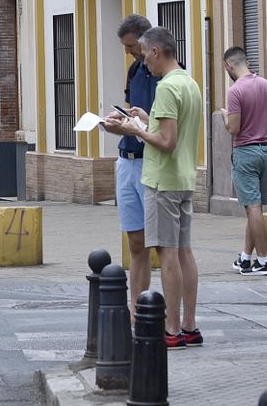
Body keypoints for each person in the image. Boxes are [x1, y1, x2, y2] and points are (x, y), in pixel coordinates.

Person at [104, 26, 202, 349]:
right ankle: (189, 325)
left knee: (168, 254)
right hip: (185, 178)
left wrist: (136, 130)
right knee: (185, 251)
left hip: (163, 180)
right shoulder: (189, 82)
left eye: (145, 55)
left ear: (157, 52)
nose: (144, 62)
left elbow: (166, 141)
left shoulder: (166, 87)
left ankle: (171, 329)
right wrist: (145, 118)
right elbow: (173, 128)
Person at [101, 14, 157, 312]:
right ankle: (135, 310)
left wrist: (137, 125)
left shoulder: (167, 75)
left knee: (163, 244)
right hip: (127, 159)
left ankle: (164, 316)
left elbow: (164, 126)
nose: (128, 52)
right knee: (135, 242)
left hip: (152, 161)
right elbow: (132, 110)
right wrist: (118, 119)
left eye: (132, 45)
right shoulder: (134, 70)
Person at [221, 46, 267, 276]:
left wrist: (226, 116)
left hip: (246, 152)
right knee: (254, 206)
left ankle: (263, 260)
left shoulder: (235, 91)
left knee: (253, 207)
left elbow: (234, 128)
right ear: (246, 60)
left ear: (229, 66)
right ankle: (246, 259)